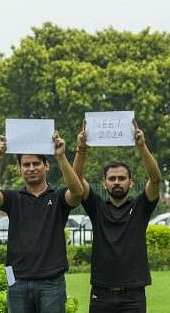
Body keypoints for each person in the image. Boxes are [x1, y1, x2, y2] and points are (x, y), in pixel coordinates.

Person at [0, 133, 83, 313]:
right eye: (26, 164)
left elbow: (77, 193)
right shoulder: (13, 198)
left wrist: (61, 157)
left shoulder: (59, 196)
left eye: (36, 163)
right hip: (17, 281)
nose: (31, 168)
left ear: (46, 166)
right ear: (19, 169)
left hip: (51, 282)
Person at [73, 119, 161, 313]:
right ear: (104, 183)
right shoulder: (96, 207)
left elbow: (155, 178)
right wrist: (81, 149)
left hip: (133, 295)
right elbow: (76, 180)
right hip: (100, 293)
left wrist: (142, 146)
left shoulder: (141, 207)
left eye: (122, 178)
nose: (117, 182)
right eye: (112, 179)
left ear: (131, 182)